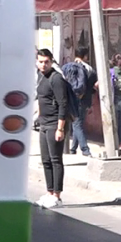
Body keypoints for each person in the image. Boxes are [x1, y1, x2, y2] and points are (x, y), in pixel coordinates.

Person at [35, 48, 68, 208]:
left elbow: (63, 103)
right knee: (46, 160)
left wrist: (60, 128)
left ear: (51, 61)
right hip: (43, 124)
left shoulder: (56, 79)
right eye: (41, 62)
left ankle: (57, 195)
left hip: (55, 123)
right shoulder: (41, 77)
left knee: (56, 160)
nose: (43, 65)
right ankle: (49, 193)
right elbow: (42, 99)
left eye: (46, 62)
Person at [70, 47, 98, 157]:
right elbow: (94, 85)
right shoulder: (89, 69)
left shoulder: (70, 66)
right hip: (85, 99)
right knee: (78, 123)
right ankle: (79, 149)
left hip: (73, 99)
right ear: (85, 56)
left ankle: (81, 149)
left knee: (77, 124)